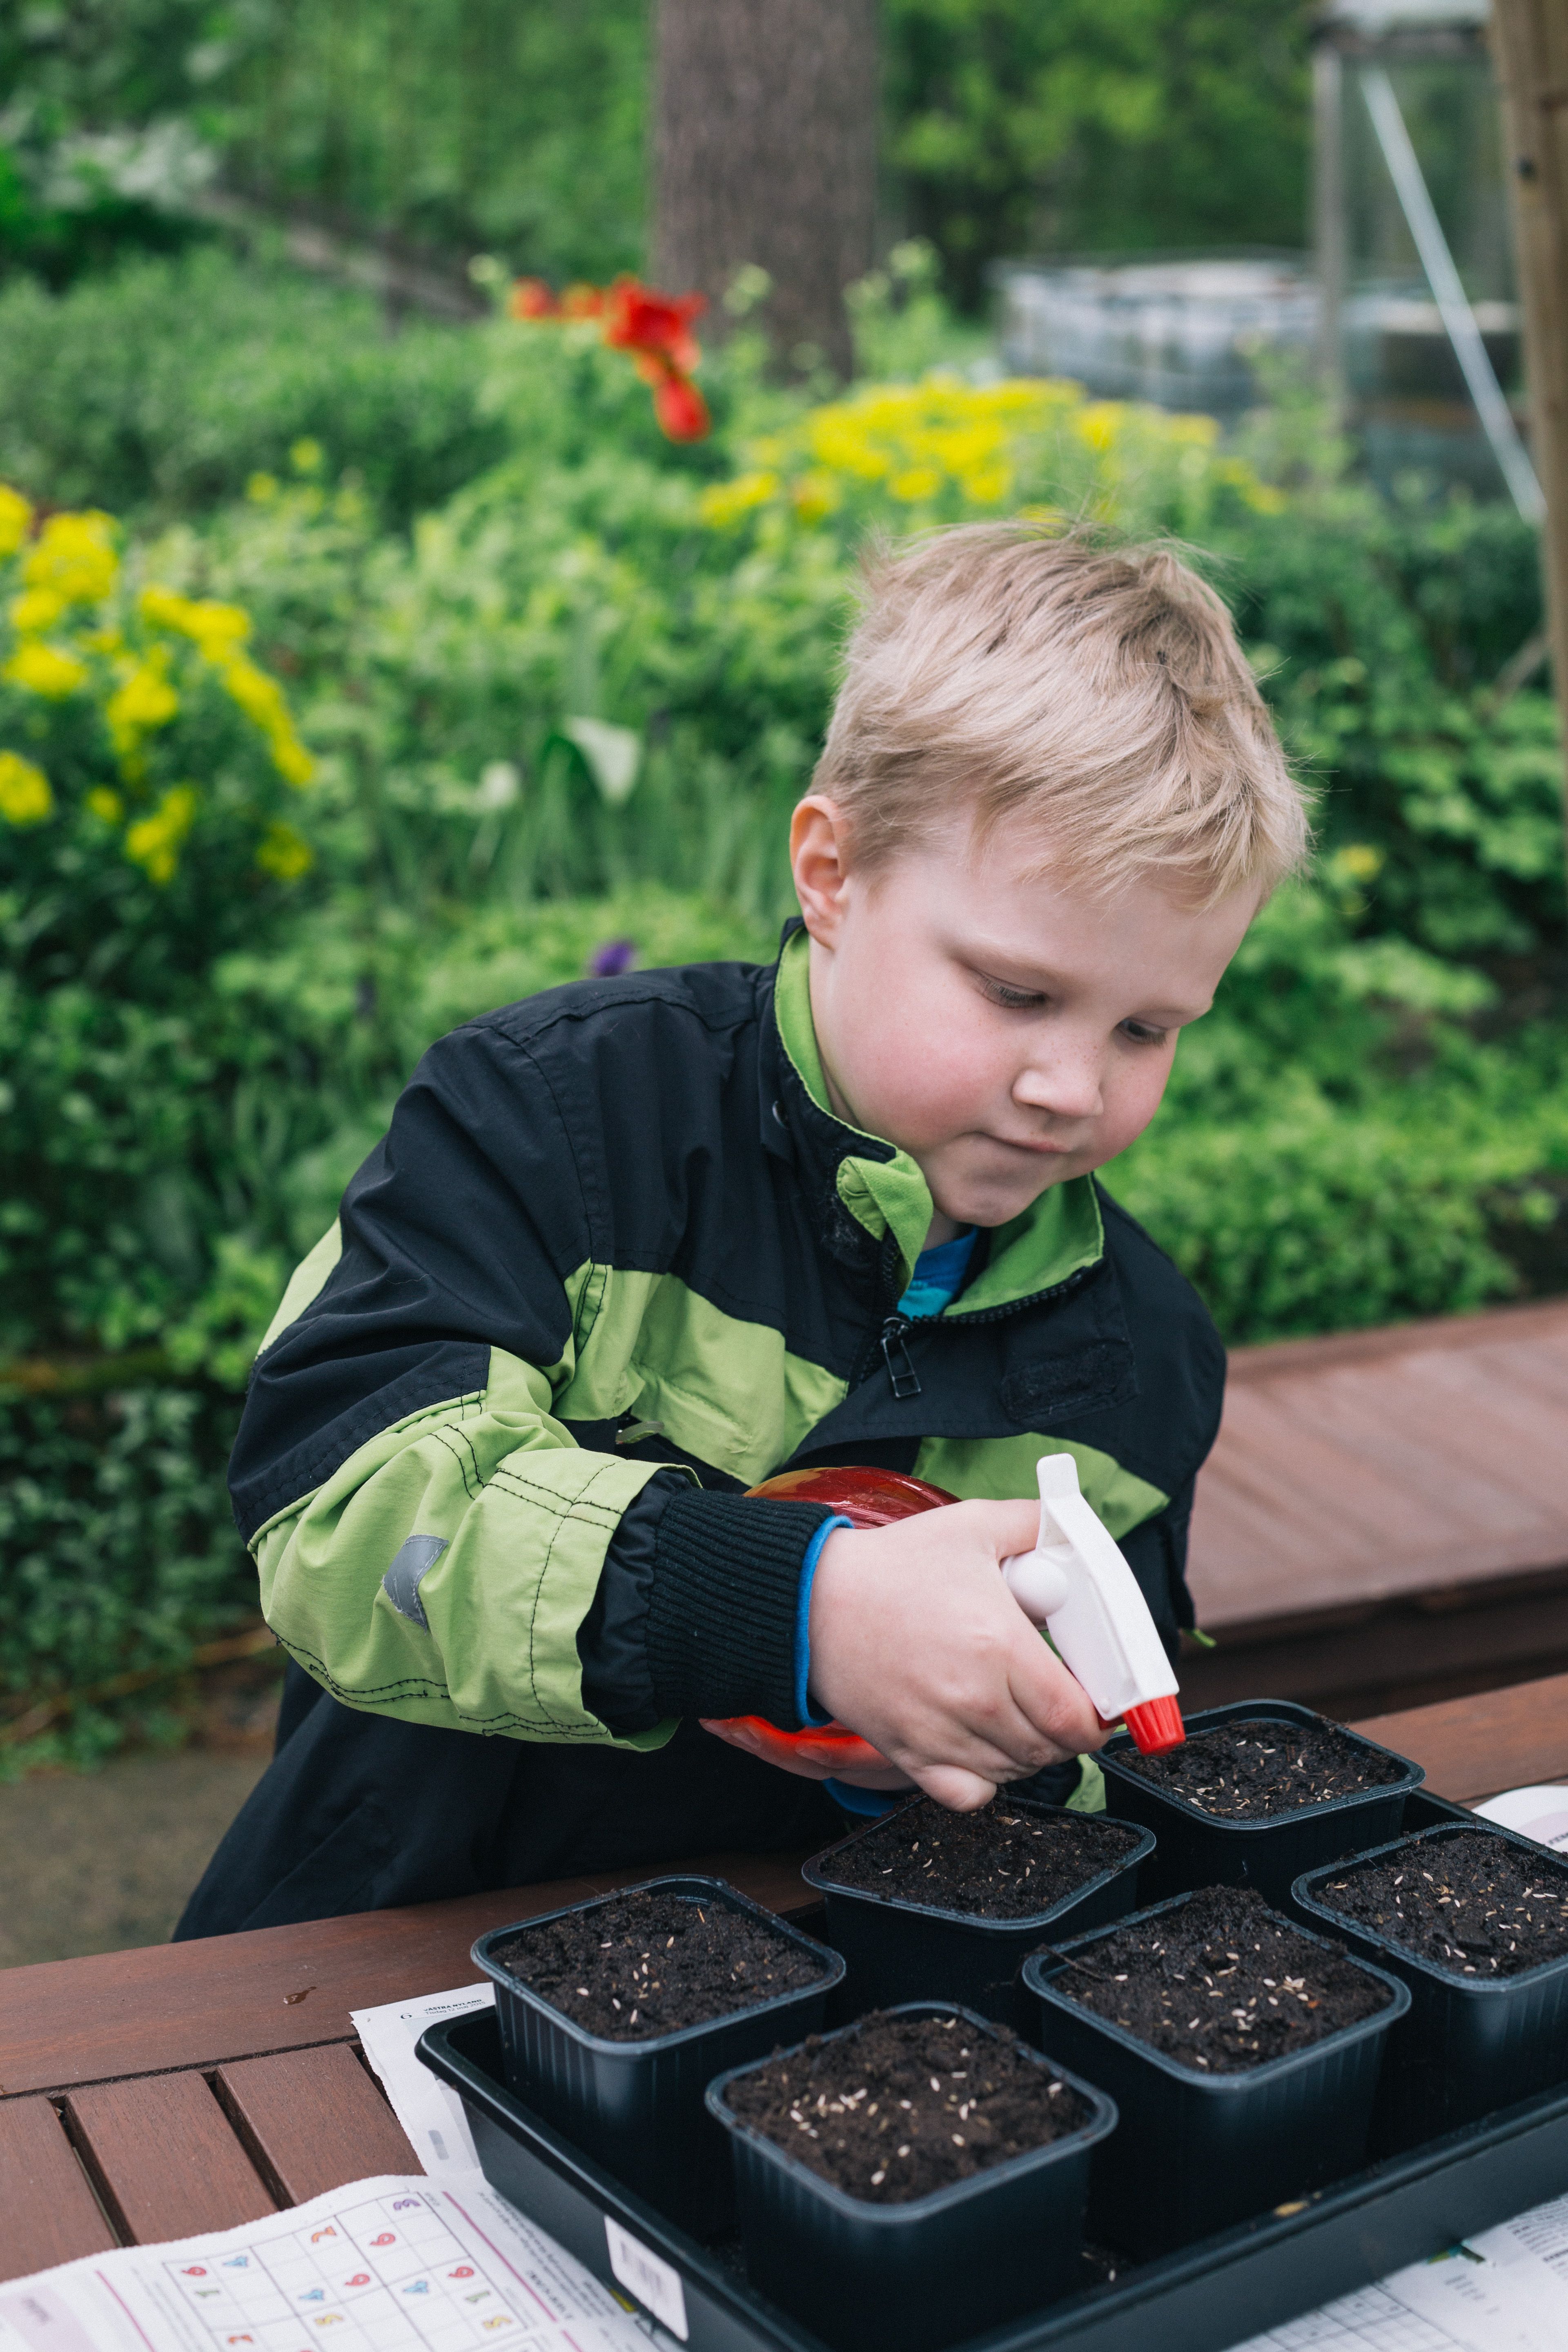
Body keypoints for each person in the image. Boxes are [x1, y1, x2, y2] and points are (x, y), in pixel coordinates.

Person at [176, 524, 1308, 1936]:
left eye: (1148, 1029)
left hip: (814, 1991)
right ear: (831, 876)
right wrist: (797, 1610)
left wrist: (969, 1737)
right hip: (395, 1935)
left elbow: (1091, 1753)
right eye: (1016, 994)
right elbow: (344, 1515)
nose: (1071, 1088)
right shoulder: (559, 1120)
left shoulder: (1142, 1353)